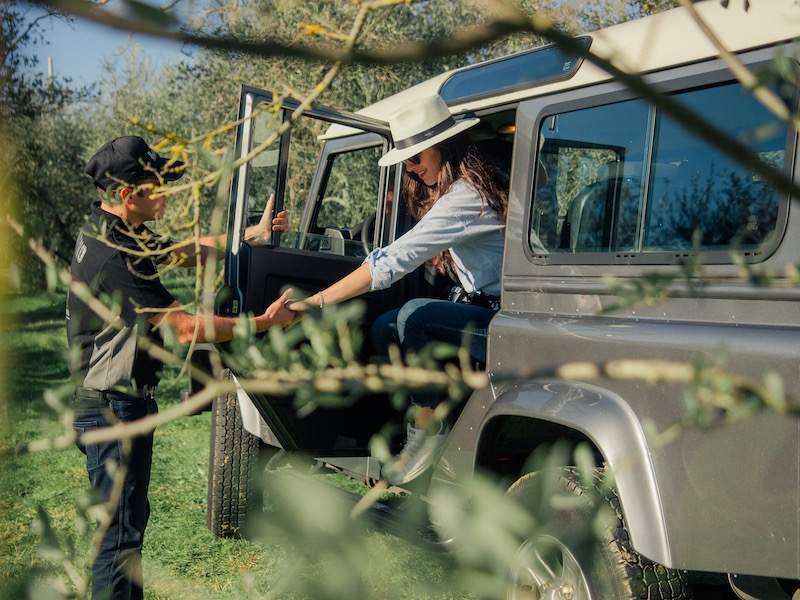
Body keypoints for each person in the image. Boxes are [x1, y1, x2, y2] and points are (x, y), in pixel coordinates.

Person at [68, 136, 294, 600]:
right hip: (113, 412)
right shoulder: (120, 255)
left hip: (102, 405)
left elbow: (184, 251)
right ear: (128, 195)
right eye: (157, 187)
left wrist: (253, 234)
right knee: (119, 541)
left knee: (122, 532)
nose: (167, 195)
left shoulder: (109, 227)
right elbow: (185, 328)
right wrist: (265, 322)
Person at [288, 94, 507, 484]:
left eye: (416, 158)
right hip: (479, 307)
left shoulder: (465, 198)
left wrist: (319, 301)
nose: (411, 169)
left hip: (500, 318)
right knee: (385, 326)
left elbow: (391, 262)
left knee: (414, 317)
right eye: (406, 162)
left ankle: (427, 429)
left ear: (442, 148)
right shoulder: (461, 189)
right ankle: (424, 416)